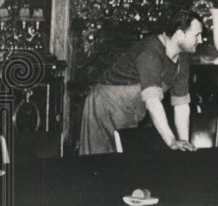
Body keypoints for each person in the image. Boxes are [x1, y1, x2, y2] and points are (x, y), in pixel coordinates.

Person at [79, 10, 203, 155]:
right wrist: (172, 141)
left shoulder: (183, 58)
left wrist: (184, 144)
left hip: (129, 111)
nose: (200, 40)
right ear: (180, 34)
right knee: (98, 163)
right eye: (197, 35)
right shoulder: (151, 51)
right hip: (103, 107)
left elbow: (181, 104)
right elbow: (152, 102)